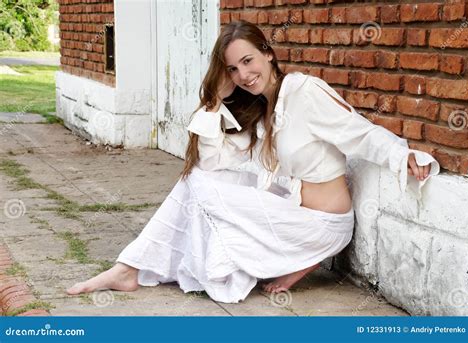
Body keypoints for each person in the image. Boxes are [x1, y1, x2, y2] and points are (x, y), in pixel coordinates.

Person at [67, 21, 439, 303]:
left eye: (248, 61)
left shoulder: (303, 91)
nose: (243, 75)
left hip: (323, 227)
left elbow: (358, 131)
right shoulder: (259, 112)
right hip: (292, 214)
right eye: (232, 70)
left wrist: (401, 153)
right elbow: (211, 164)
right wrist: (215, 101)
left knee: (197, 188)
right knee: (197, 179)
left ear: (268, 53)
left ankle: (130, 269)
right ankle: (130, 268)